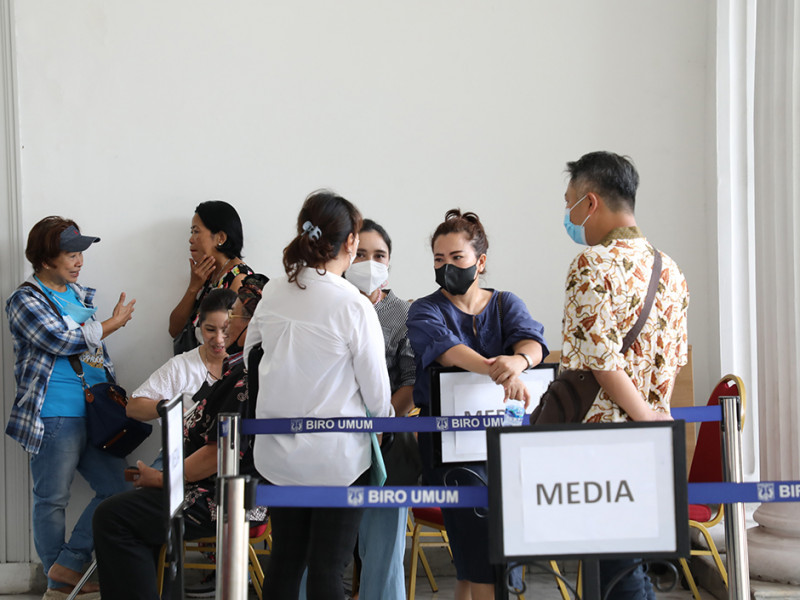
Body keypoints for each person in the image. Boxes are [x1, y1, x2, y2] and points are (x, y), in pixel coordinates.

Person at [245, 190, 393, 600]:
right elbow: (378, 395)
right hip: (337, 460)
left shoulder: (273, 292)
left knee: (285, 560)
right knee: (328, 568)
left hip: (276, 455)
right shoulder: (353, 306)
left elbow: (250, 356)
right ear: (351, 242)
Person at [560, 151, 689, 598]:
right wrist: (652, 417)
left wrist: (639, 417)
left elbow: (602, 362)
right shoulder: (670, 270)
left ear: (590, 202)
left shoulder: (591, 265)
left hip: (603, 443)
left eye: (570, 203)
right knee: (628, 562)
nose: (568, 215)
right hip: (653, 437)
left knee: (616, 572)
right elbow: (674, 359)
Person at [92, 275, 268, 600]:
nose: (222, 334)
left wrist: (161, 479)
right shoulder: (241, 371)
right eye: (212, 328)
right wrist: (171, 407)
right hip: (207, 481)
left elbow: (218, 455)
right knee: (129, 511)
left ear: (252, 325)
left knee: (112, 516)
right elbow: (135, 406)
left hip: (220, 495)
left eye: (233, 319)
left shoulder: (244, 379)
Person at [406, 209, 548, 600]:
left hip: (505, 441)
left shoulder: (505, 303)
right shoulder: (425, 309)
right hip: (450, 445)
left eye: (457, 257)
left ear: (480, 262)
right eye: (439, 259)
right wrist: (499, 369)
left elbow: (533, 341)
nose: (447, 267)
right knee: (477, 537)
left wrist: (519, 361)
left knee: (489, 545)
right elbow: (448, 350)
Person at [5, 216, 135, 599]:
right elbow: (60, 340)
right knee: (52, 499)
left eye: (81, 253)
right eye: (71, 253)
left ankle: (69, 563)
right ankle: (58, 583)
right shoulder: (24, 300)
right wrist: (112, 324)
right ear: (46, 259)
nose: (79, 261)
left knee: (117, 489)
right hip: (55, 413)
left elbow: (93, 352)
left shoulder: (78, 295)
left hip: (95, 412)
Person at [345, 219, 417, 600]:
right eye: (360, 254)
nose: (369, 263)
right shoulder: (331, 304)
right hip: (330, 440)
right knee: (320, 549)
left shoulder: (401, 313)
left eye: (379, 255)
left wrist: (382, 420)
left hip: (384, 439)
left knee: (383, 552)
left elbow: (410, 379)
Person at [127, 288, 237, 420]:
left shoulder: (248, 362)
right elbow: (132, 407)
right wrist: (169, 407)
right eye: (210, 329)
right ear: (200, 326)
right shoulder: (181, 366)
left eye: (225, 330)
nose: (218, 339)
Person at [168, 200, 256, 354]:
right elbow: (174, 330)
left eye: (196, 231)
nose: (191, 239)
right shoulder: (207, 274)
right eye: (191, 232)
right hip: (193, 365)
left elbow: (229, 343)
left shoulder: (240, 279)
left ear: (220, 237)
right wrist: (193, 287)